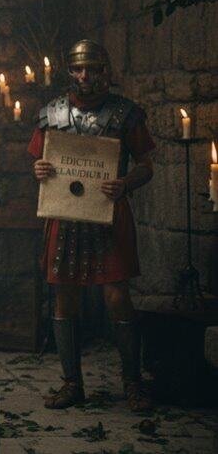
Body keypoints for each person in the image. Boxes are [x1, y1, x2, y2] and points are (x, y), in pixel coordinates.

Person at [30, 39, 155, 412]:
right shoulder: (51, 113)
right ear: (70, 72)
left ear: (106, 71)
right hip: (65, 216)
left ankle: (133, 383)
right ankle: (72, 384)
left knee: (117, 297)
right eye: (78, 69)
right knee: (64, 297)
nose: (85, 76)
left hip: (108, 216)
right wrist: (39, 170)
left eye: (93, 69)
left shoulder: (125, 114)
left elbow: (146, 164)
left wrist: (126, 183)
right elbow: (40, 160)